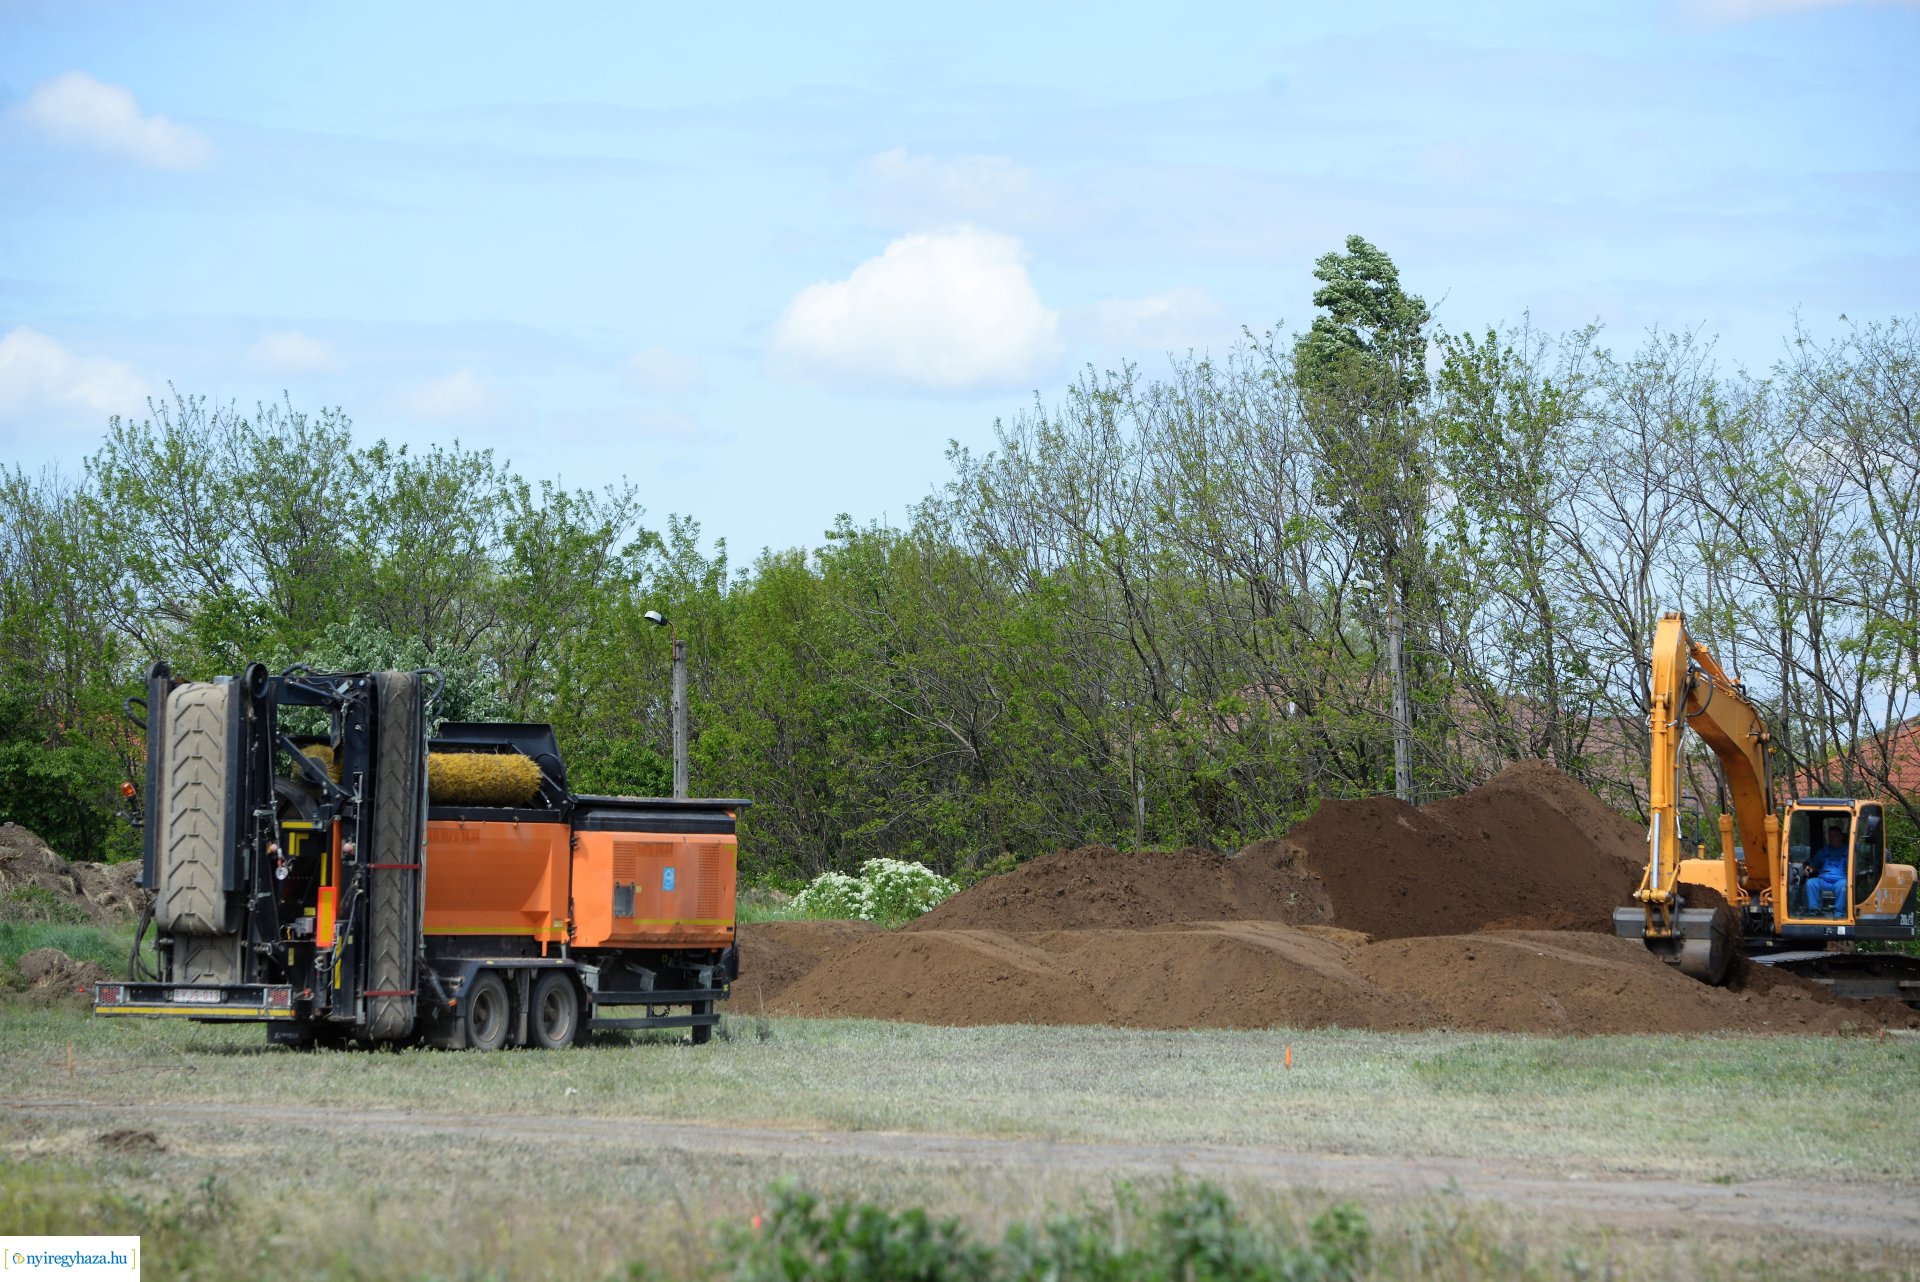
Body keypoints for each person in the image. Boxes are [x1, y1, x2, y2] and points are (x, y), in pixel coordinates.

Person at [1803, 819, 1850, 917]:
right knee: (1811, 883)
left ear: (1842, 837)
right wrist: (1809, 869)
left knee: (1843, 886)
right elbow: (1814, 865)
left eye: (1835, 836)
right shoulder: (1823, 851)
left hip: (1840, 880)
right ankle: (1814, 910)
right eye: (1830, 836)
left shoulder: (1848, 850)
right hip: (1823, 880)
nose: (1832, 838)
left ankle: (1839, 913)